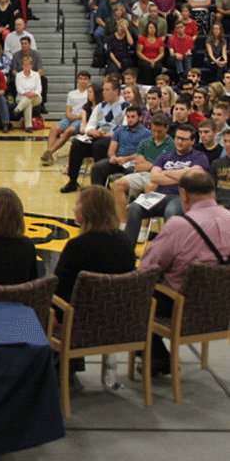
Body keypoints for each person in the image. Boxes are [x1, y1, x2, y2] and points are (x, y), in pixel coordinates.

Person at [139, 170, 230, 374]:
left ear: (184, 195)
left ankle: (157, 354)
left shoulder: (180, 225)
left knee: (138, 292)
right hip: (221, 305)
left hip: (180, 306)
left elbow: (147, 266)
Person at [53, 185, 136, 313]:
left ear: (88, 210)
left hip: (79, 321)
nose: (73, 209)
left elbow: (59, 290)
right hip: (120, 317)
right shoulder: (126, 240)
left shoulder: (77, 246)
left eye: (77, 204)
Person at [124, 123, 211, 243]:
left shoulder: (199, 156)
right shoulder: (165, 156)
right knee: (134, 207)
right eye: (177, 137)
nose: (179, 141)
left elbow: (193, 176)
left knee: (170, 211)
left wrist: (165, 172)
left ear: (193, 140)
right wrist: (182, 174)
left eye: (184, 139)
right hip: (160, 195)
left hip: (183, 197)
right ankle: (128, 253)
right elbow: (154, 177)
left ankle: (171, 255)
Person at [14, 57, 43, 132]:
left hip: (36, 97)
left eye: (28, 64)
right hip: (22, 97)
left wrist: (34, 93)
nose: (26, 66)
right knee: (28, 103)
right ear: (22, 65)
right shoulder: (18, 75)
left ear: (31, 65)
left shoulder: (36, 75)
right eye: (24, 64)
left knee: (29, 99)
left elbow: (39, 88)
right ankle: (29, 127)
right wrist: (25, 93)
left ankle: (18, 109)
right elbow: (19, 88)